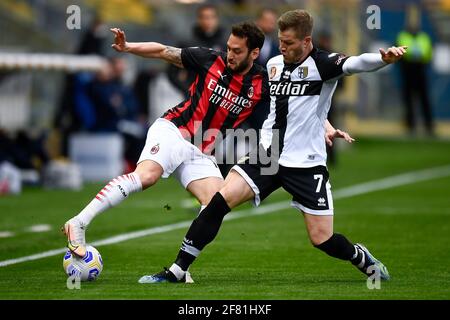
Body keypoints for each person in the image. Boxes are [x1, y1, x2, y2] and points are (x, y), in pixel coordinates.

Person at [140, 9, 407, 284]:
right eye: (280, 40)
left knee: (321, 238)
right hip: (269, 154)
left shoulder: (325, 63)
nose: (282, 47)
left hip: (306, 163)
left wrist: (383, 59)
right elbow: (287, 106)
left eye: (289, 42)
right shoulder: (274, 64)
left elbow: (357, 63)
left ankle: (360, 257)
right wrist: (325, 124)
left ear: (306, 41)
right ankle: (177, 270)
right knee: (218, 202)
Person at [62, 21, 269, 258]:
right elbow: (163, 51)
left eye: (237, 51)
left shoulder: (263, 83)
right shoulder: (211, 59)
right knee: (147, 177)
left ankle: (180, 267)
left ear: (254, 53)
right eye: (229, 48)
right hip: (173, 129)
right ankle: (78, 222)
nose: (230, 55)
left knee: (216, 205)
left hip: (200, 150)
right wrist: (128, 47)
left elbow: (294, 104)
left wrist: (323, 123)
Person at [396, 5, 434, 135]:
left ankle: (429, 126)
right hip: (408, 71)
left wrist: (414, 55)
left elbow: (427, 54)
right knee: (408, 99)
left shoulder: (424, 37)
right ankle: (410, 125)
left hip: (420, 71)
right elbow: (400, 54)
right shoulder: (402, 36)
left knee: (424, 99)